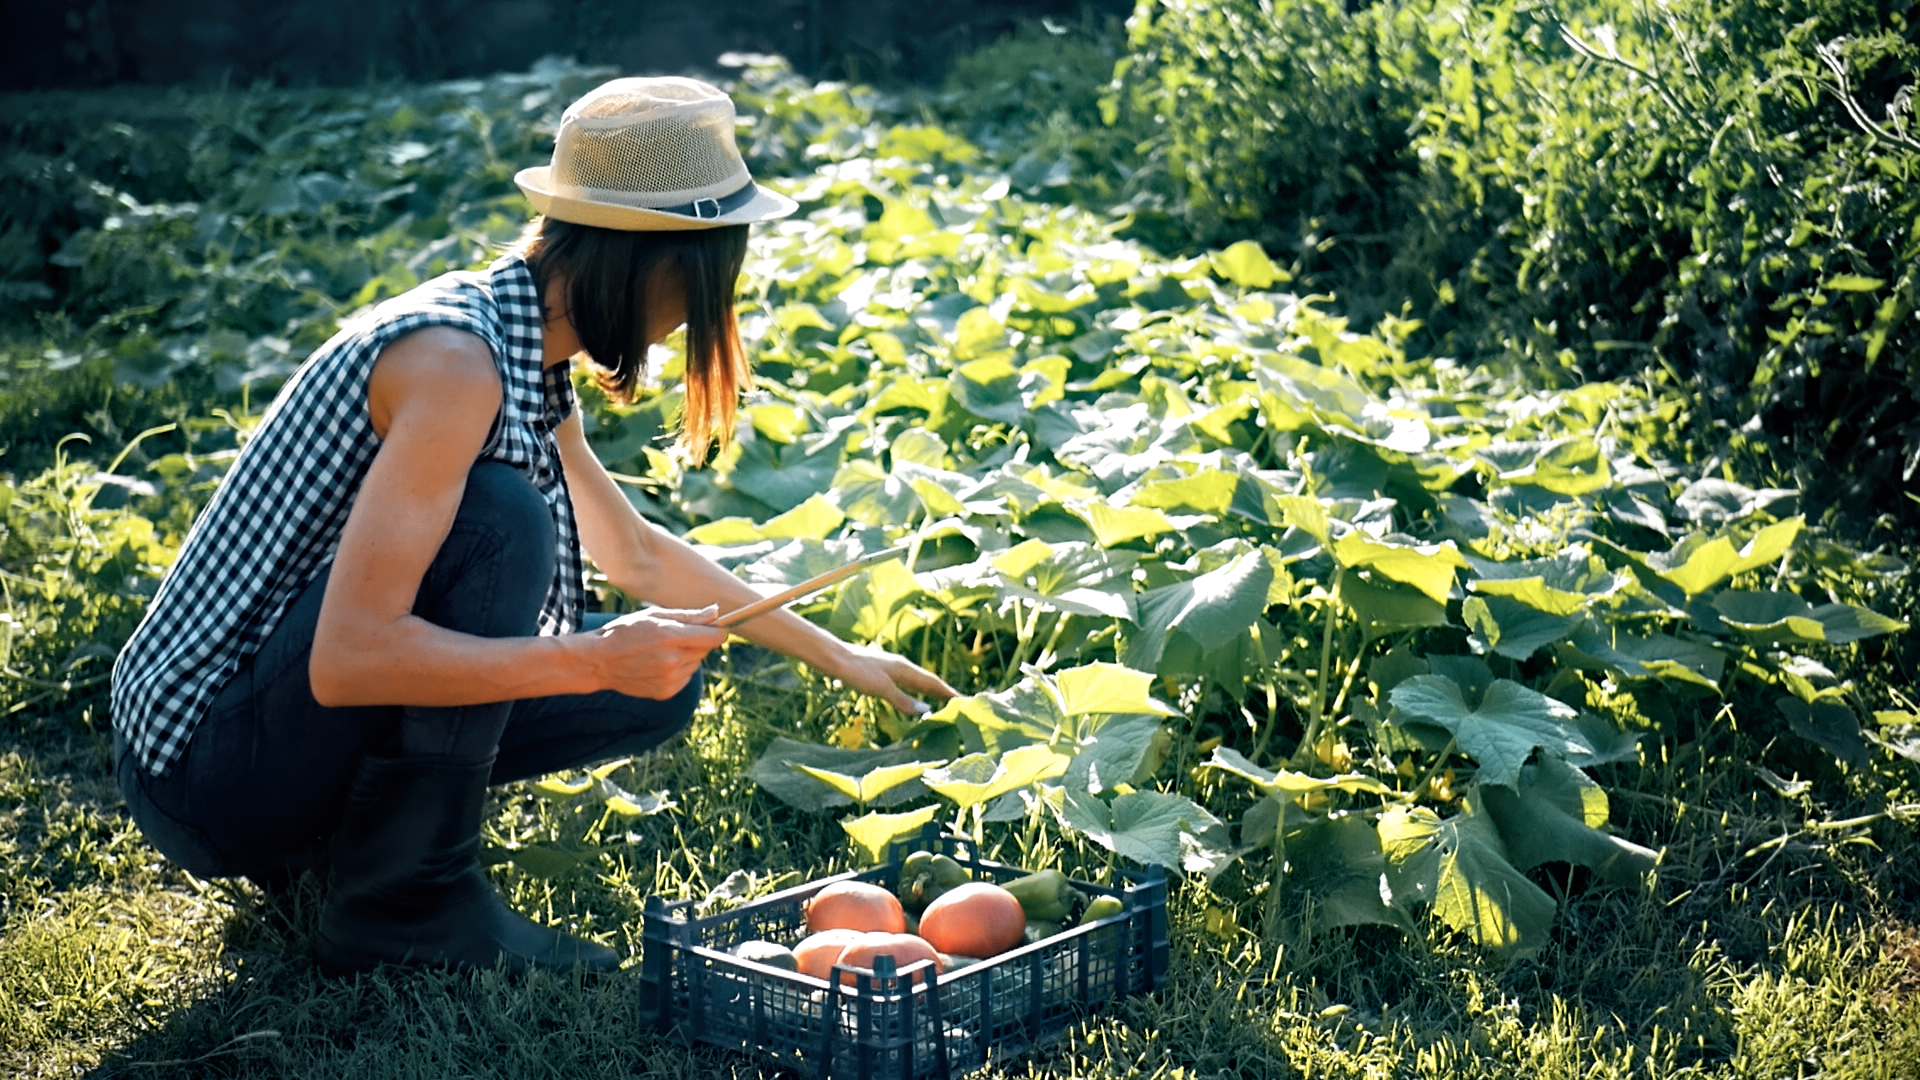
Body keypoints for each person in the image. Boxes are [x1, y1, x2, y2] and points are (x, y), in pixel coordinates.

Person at [108, 76, 954, 977]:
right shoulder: (456, 365)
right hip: (203, 766)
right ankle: (409, 904)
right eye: (704, 284)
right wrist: (591, 655)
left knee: (655, 682)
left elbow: (629, 551)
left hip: (261, 728)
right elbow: (349, 656)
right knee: (502, 521)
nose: (686, 325)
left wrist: (839, 654)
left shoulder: (520, 346)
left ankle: (362, 849)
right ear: (651, 260)